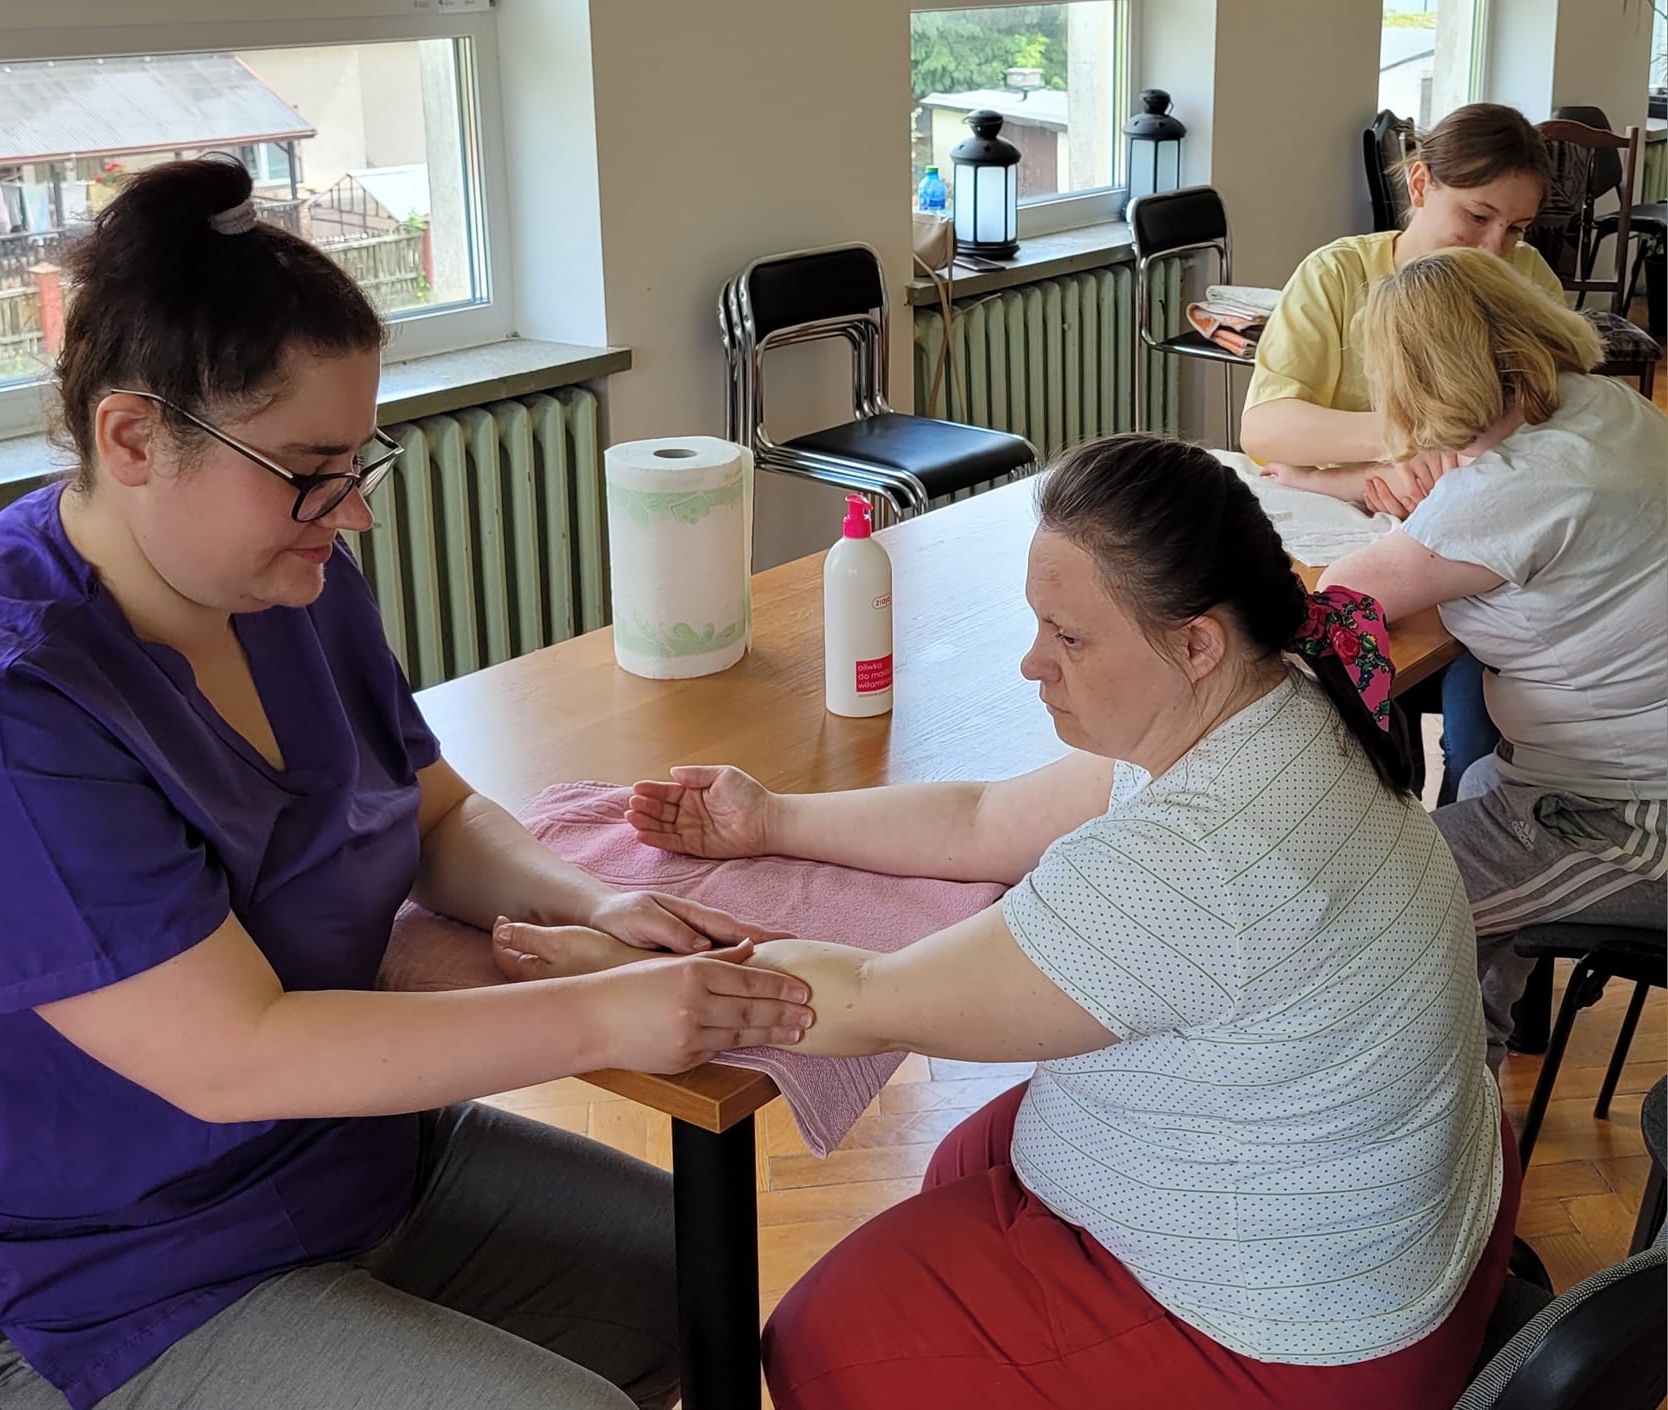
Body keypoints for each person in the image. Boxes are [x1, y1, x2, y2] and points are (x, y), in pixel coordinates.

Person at [0, 157, 815, 1410]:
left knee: (699, 1281)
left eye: (356, 463)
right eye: (305, 469)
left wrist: (589, 903)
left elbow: (435, 814)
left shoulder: (285, 581)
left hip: (323, 1160)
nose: (351, 515)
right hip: (83, 1284)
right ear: (133, 438)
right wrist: (610, 1015)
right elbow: (234, 1058)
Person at [498, 435, 1514, 1410]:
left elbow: (858, 1000)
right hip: (1401, 1225)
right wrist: (768, 821)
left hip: (1306, 1345)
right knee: (966, 1162)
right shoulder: (1278, 694)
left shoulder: (1198, 857)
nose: (1034, 664)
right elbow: (986, 820)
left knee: (816, 1341)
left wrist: (622, 968)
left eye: (1069, 638)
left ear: (1196, 642)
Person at [1319, 246, 1668, 1071]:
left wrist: (1410, 487)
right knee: (1477, 788)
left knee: (1375, 909)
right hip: (1600, 780)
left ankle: (1449, 1096)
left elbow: (1343, 591)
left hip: (1632, 821)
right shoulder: (1606, 407)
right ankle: (1472, 1063)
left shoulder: (1514, 486)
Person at [1239, 102, 1565, 806]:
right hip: (1350, 538)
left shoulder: (1527, 279)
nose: (1495, 250)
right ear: (1420, 185)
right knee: (1348, 719)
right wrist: (1385, 462)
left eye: (1516, 228)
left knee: (1479, 722)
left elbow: (1548, 436)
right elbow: (1265, 426)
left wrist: (1382, 466)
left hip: (1470, 550)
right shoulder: (1335, 276)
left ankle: (1460, 831)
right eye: (1477, 216)